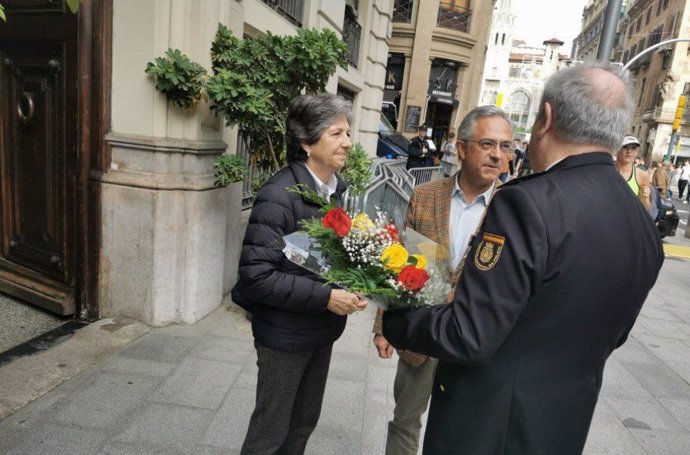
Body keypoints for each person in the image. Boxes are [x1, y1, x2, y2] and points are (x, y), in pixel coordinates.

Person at [382, 63, 664, 455]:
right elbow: (614, 335)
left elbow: (470, 334)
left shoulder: (527, 203)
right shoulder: (641, 224)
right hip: (560, 426)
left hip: (486, 427)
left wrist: (397, 320)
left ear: (545, 118)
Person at [372, 106, 511, 455]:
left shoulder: (513, 208)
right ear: (461, 148)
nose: (498, 155)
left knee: (462, 432)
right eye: (488, 144)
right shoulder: (426, 195)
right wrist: (383, 324)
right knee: (404, 421)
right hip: (422, 335)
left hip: (472, 342)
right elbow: (400, 260)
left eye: (506, 146)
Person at [234, 93, 367, 455]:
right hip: (285, 337)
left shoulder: (334, 192)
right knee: (270, 434)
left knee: (302, 425)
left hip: (320, 330)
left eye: (348, 132)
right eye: (336, 133)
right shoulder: (278, 195)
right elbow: (257, 277)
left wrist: (357, 282)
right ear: (307, 142)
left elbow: (321, 260)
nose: (348, 142)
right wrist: (328, 297)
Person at [615, 135, 652, 210]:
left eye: (633, 148)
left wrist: (645, 198)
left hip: (629, 220)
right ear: (618, 149)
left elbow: (646, 208)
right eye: (625, 147)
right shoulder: (607, 170)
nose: (629, 151)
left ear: (636, 152)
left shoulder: (642, 175)